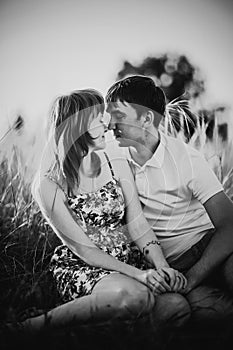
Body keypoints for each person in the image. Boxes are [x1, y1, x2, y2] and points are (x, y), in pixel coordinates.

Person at [8, 88, 190, 334]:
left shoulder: (116, 162)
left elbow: (137, 224)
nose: (107, 123)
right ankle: (29, 328)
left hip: (128, 259)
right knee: (137, 298)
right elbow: (85, 249)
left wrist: (161, 266)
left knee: (176, 307)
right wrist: (139, 275)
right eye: (99, 118)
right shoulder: (49, 185)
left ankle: (107, 329)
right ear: (78, 128)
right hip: (85, 265)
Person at [106, 75, 233, 323]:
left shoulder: (187, 158)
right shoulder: (112, 157)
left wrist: (194, 276)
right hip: (166, 265)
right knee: (197, 313)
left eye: (119, 116)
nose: (111, 125)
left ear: (146, 118)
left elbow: (229, 225)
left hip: (210, 249)